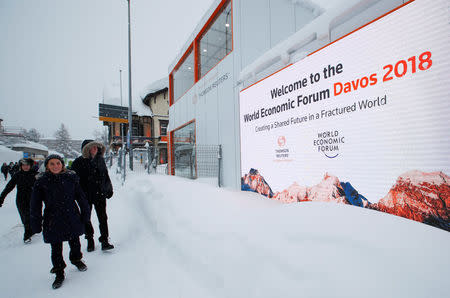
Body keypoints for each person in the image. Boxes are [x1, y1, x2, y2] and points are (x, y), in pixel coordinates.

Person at [30, 154, 91, 289]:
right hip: (53, 218)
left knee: (75, 241)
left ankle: (76, 259)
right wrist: (35, 223)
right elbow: (35, 204)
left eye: (58, 163)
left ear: (62, 165)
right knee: (56, 247)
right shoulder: (42, 182)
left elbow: (81, 197)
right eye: (52, 164)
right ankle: (59, 271)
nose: (55, 166)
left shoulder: (71, 178)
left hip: (71, 216)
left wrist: (85, 214)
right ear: (47, 166)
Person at [71, 140, 114, 252]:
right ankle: (89, 238)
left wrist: (109, 189)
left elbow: (105, 176)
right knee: (86, 218)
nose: (95, 150)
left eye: (96, 148)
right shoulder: (78, 162)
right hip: (85, 195)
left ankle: (104, 240)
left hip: (100, 194)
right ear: (87, 149)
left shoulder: (100, 160)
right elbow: (73, 179)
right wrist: (75, 193)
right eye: (92, 148)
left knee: (103, 217)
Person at [0, 158, 37, 243]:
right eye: (23, 165)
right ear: (21, 166)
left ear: (30, 165)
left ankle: (29, 233)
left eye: (27, 165)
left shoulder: (35, 175)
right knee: (25, 218)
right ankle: (28, 233)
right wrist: (1, 198)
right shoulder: (17, 175)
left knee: (33, 217)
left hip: (34, 200)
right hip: (21, 200)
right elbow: (8, 187)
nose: (25, 167)